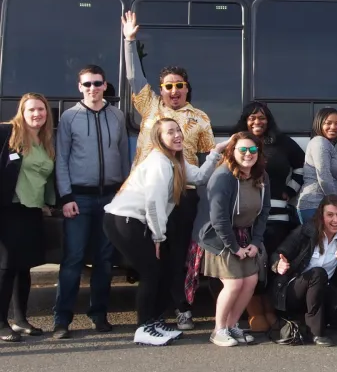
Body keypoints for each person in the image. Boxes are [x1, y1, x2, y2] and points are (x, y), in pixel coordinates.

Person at [122, 11, 216, 332]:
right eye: (168, 86)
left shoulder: (201, 118)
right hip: (146, 195)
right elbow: (134, 77)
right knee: (151, 258)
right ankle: (153, 314)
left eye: (179, 86)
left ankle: (182, 308)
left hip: (182, 195)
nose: (174, 91)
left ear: (188, 89)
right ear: (160, 90)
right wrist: (129, 42)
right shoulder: (150, 106)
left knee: (177, 255)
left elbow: (207, 159)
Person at [103, 118, 225, 346]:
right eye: (170, 132)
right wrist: (158, 237)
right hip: (125, 219)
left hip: (138, 220)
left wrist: (215, 153)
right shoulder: (159, 163)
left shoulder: (175, 160)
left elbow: (199, 178)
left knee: (163, 271)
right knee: (151, 271)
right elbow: (153, 204)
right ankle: (143, 328)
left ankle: (155, 321)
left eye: (178, 130)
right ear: (159, 138)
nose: (177, 135)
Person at [52, 65, 131, 339]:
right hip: (79, 199)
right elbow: (61, 159)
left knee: (105, 260)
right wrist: (65, 197)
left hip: (110, 198)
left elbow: (123, 156)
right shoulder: (69, 118)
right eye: (87, 84)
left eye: (97, 83)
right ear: (79, 87)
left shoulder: (117, 115)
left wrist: (123, 193)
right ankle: (62, 320)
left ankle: (98, 314)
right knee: (73, 259)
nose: (92, 89)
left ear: (105, 85)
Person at [233, 101, 305, 333]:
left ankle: (275, 311)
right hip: (247, 218)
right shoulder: (239, 143)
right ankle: (254, 312)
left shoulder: (282, 142)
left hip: (278, 217)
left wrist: (291, 190)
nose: (257, 122)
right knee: (252, 266)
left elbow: (301, 167)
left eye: (262, 118)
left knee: (275, 264)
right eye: (252, 118)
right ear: (245, 120)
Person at [199, 132, 271, 346]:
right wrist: (234, 247)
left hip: (246, 236)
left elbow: (264, 210)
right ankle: (218, 330)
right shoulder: (223, 176)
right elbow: (219, 218)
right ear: (232, 152)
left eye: (252, 150)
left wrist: (255, 243)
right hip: (220, 237)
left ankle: (232, 326)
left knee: (250, 281)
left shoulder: (261, 176)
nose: (248, 154)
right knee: (233, 283)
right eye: (243, 150)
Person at [270, 195, 337, 347]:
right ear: (321, 216)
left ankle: (303, 320)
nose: (336, 220)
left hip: (322, 289)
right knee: (318, 273)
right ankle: (316, 332)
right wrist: (278, 264)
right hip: (294, 289)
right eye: (330, 215)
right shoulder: (305, 231)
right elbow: (277, 253)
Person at [0, 94, 56, 343]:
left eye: (41, 110)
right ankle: (1, 323)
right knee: (6, 267)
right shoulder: (6, 134)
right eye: (32, 110)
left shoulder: (45, 141)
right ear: (22, 111)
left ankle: (21, 320)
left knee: (25, 266)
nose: (37, 114)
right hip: (8, 208)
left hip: (32, 209)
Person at [297, 107, 337, 225]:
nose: (333, 127)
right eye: (328, 123)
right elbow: (324, 176)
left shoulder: (328, 145)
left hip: (322, 206)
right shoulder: (320, 142)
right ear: (319, 124)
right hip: (315, 205)